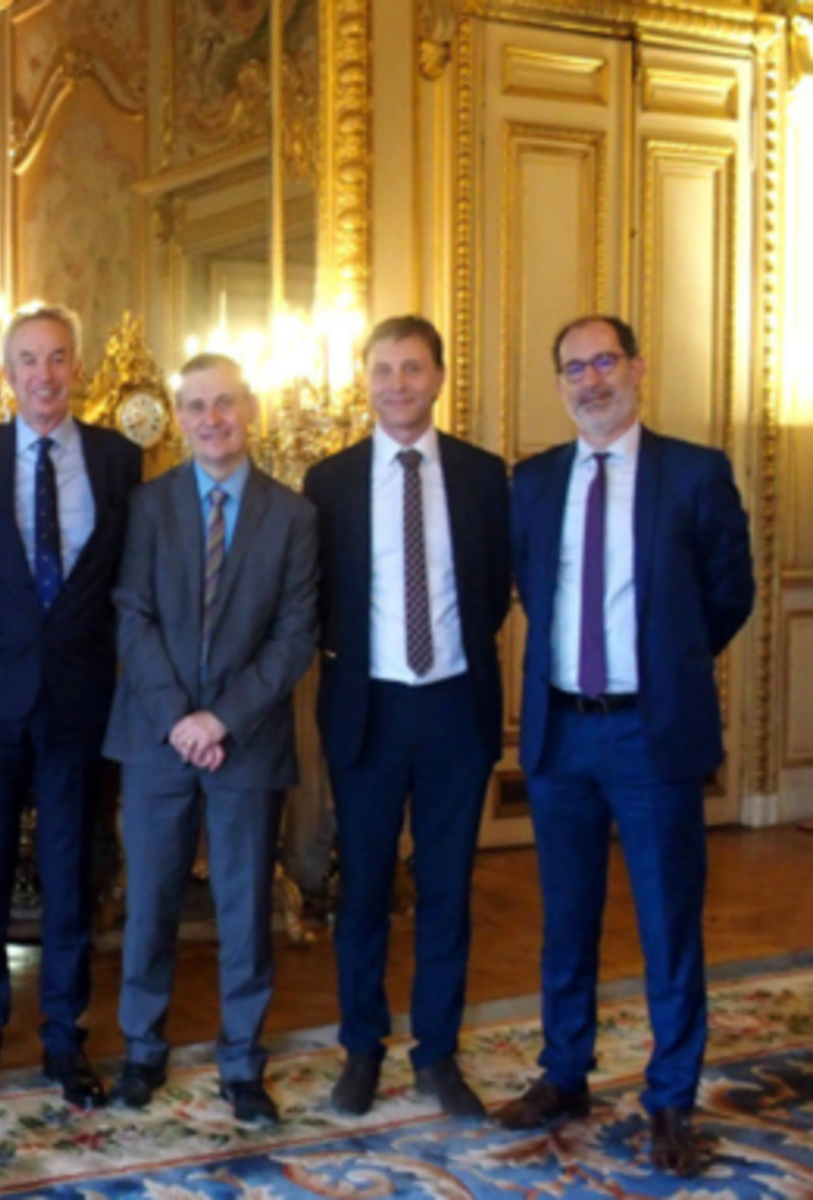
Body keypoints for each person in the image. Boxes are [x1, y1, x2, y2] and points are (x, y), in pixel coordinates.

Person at [496, 315, 754, 1177]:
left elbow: (730, 593)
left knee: (668, 924)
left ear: (638, 368)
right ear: (559, 382)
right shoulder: (532, 482)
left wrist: (669, 663)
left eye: (605, 361)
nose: (591, 380)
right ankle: (564, 1075)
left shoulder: (694, 473)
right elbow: (533, 587)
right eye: (573, 368)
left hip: (653, 732)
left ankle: (671, 1099)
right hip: (563, 729)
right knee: (565, 921)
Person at [301, 316, 510, 1119]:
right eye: (383, 369)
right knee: (362, 892)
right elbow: (320, 599)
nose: (397, 383)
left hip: (455, 705)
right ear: (367, 380)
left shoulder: (484, 475)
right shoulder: (331, 480)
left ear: (438, 376)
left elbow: (491, 593)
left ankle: (438, 1052)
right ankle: (361, 1050)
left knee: (449, 889)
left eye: (411, 369)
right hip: (369, 710)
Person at [102, 352, 317, 1127]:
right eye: (196, 406)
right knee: (151, 902)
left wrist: (220, 719)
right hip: (156, 739)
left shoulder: (292, 515)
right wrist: (178, 720)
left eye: (224, 403)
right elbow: (132, 613)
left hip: (247, 743)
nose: (211, 418)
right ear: (181, 418)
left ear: (249, 409)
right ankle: (141, 1049)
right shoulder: (149, 505)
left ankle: (241, 1061)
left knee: (244, 905)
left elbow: (295, 635)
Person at [0, 304, 140, 1110]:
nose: (44, 375)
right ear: (7, 373)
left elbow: (128, 574)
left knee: (70, 876)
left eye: (58, 358)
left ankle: (65, 1039)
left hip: (81, 700)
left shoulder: (122, 460)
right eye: (28, 360)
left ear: (78, 368)